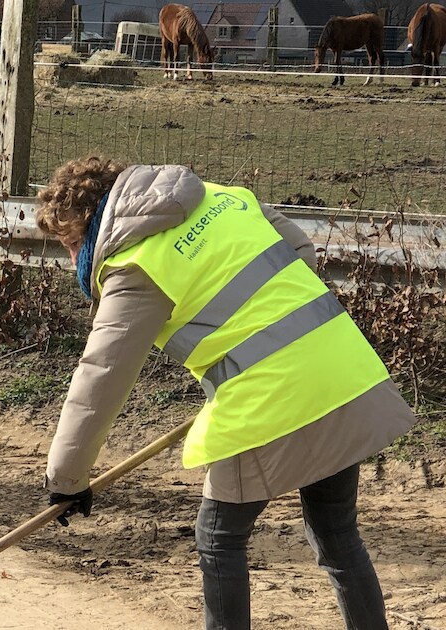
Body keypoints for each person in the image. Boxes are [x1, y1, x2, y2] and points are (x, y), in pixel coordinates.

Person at [35, 155, 416, 629]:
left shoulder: (134, 264)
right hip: (340, 366)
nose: (74, 260)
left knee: (218, 537)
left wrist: (65, 482)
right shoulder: (222, 197)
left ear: (96, 222)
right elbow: (300, 251)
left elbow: (102, 376)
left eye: (73, 244)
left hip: (270, 395)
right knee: (336, 532)